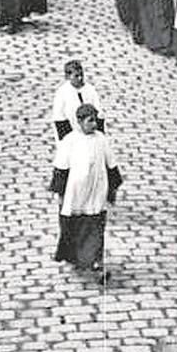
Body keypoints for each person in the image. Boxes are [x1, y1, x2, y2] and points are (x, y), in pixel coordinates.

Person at [50, 104, 123, 280]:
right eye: (90, 121)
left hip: (96, 191)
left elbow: (111, 164)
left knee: (96, 226)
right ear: (80, 122)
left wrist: (112, 189)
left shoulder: (101, 139)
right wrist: (61, 194)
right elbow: (61, 169)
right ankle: (75, 257)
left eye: (95, 121)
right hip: (76, 194)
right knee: (75, 226)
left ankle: (96, 262)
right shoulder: (70, 141)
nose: (94, 125)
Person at [50, 60, 104, 140]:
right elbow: (59, 118)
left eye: (82, 75)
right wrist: (71, 139)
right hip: (72, 136)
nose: (80, 78)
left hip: (90, 135)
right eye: (76, 76)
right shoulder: (62, 93)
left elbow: (99, 114)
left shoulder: (91, 90)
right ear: (68, 76)